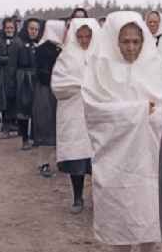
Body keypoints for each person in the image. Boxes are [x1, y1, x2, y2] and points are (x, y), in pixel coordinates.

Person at [82, 12, 162, 252]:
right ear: (114, 42)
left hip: (151, 155)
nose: (131, 48)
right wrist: (138, 110)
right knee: (121, 208)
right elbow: (94, 111)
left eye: (136, 41)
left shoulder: (155, 68)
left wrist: (153, 113)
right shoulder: (100, 70)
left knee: (150, 208)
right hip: (117, 158)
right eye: (125, 42)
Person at [51, 17, 100, 211]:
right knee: (77, 157)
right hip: (74, 112)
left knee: (99, 157)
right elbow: (58, 85)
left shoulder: (102, 55)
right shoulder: (66, 56)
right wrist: (82, 85)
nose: (84, 40)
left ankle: (100, 197)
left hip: (97, 112)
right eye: (80, 36)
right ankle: (77, 197)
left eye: (88, 36)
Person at [31, 20, 62, 174]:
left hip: (56, 91)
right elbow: (42, 73)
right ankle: (43, 161)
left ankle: (59, 160)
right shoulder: (44, 49)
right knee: (47, 126)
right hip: (47, 91)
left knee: (58, 126)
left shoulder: (60, 47)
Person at [13, 18, 42, 150]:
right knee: (23, 110)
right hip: (23, 78)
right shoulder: (18, 42)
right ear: (26, 28)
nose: (33, 32)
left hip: (37, 78)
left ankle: (35, 137)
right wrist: (12, 83)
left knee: (37, 109)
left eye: (36, 29)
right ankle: (24, 139)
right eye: (31, 28)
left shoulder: (41, 43)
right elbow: (12, 65)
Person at [0, 18, 18, 135]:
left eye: (11, 28)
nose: (9, 30)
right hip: (3, 75)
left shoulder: (18, 41)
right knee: (5, 100)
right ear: (4, 28)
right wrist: (11, 59)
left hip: (16, 75)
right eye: (7, 28)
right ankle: (5, 125)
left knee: (14, 100)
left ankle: (14, 124)